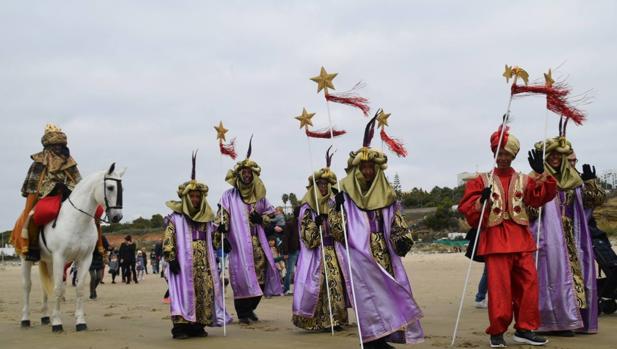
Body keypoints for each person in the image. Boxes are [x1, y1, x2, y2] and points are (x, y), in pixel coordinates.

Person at [459, 126, 557, 347]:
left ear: (514, 155)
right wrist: (481, 201)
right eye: (499, 153)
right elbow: (469, 212)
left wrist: (542, 173)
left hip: (521, 240)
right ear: (494, 154)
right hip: (495, 241)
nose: (503, 158)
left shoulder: (524, 179)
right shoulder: (480, 180)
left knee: (529, 286)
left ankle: (524, 329)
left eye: (507, 154)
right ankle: (497, 332)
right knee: (499, 290)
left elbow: (540, 198)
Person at [329, 117, 422, 348]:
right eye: (364, 168)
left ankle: (384, 337)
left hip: (383, 253)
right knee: (368, 299)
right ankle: (372, 340)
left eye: (371, 167)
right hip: (360, 256)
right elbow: (337, 230)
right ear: (357, 169)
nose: (368, 171)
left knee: (387, 295)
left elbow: (396, 222)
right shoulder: (345, 196)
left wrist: (402, 239)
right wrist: (338, 208)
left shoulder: (386, 194)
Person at [530, 136, 605, 335]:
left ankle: (572, 319)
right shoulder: (535, 176)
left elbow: (595, 201)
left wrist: (591, 183)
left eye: (559, 154)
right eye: (551, 154)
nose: (556, 158)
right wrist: (538, 180)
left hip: (573, 236)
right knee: (550, 278)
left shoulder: (573, 179)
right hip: (546, 237)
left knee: (575, 277)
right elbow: (528, 209)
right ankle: (551, 321)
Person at [163, 152, 231, 339]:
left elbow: (214, 241)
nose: (194, 200)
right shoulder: (175, 219)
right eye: (192, 196)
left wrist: (222, 235)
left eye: (197, 197)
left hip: (204, 266)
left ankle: (197, 325)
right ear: (186, 198)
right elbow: (168, 239)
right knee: (183, 294)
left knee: (203, 293)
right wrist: (171, 257)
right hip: (183, 266)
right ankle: (180, 328)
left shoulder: (208, 220)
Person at [215, 138, 283, 324]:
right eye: (243, 172)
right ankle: (243, 312)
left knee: (260, 277)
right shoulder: (228, 196)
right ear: (239, 175)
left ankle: (251, 308)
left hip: (257, 243)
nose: (246, 175)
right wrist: (222, 228)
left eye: (249, 172)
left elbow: (271, 215)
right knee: (241, 278)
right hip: (238, 245)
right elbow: (222, 217)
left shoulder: (260, 196)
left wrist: (262, 220)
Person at [292, 150, 351, 332]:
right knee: (319, 287)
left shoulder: (335, 204)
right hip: (316, 253)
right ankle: (320, 320)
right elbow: (306, 237)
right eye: (320, 184)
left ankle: (336, 319)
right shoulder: (308, 207)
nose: (323, 187)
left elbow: (342, 233)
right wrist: (315, 226)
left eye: (326, 183)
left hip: (333, 251)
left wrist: (339, 211)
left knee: (336, 284)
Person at [10, 124, 82, 261]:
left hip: (68, 194)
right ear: (48, 147)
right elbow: (33, 184)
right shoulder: (39, 162)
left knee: (90, 212)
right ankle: (32, 247)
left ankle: (97, 247)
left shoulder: (70, 162)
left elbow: (79, 181)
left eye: (60, 145)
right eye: (55, 145)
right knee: (34, 214)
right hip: (46, 195)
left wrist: (70, 187)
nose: (58, 148)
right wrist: (54, 186)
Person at [281, 206, 300, 295]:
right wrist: (285, 252)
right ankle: (286, 289)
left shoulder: (302, 223)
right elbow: (285, 238)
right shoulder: (290, 223)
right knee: (290, 271)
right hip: (292, 251)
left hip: (300, 250)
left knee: (300, 270)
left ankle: (298, 288)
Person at [89, 235, 109, 299]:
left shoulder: (102, 237)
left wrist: (106, 253)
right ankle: (92, 292)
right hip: (90, 259)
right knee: (93, 277)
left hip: (99, 258)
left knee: (99, 277)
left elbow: (106, 246)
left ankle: (93, 290)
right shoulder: (89, 236)